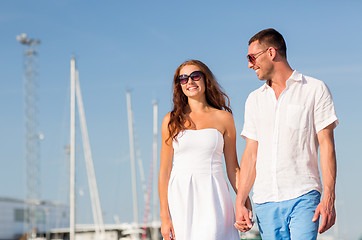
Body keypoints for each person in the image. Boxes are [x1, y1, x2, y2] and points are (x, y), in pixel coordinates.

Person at [234, 28, 338, 240]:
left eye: (252, 57)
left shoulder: (315, 89)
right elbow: (251, 154)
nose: (249, 64)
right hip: (265, 202)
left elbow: (327, 146)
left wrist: (329, 196)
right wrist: (240, 201)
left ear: (271, 52)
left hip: (304, 195)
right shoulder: (254, 100)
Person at [158, 60, 250, 240]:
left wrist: (245, 202)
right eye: (183, 79)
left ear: (206, 79)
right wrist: (164, 216)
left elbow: (233, 168)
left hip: (213, 194)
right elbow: (164, 172)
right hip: (180, 196)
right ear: (179, 85)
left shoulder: (224, 118)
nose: (190, 82)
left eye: (195, 76)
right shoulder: (170, 120)